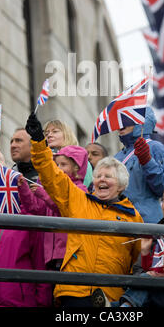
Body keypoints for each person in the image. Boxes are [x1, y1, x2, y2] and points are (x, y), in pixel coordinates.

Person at [25, 112, 143, 307]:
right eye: (99, 176)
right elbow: (52, 175)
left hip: (110, 296)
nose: (102, 180)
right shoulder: (79, 200)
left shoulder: (133, 217)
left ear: (122, 185)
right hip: (74, 291)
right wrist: (39, 141)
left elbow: (138, 262)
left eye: (109, 176)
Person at [18, 145, 88, 273]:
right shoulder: (51, 189)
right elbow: (35, 208)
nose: (59, 168)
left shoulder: (80, 189)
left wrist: (45, 195)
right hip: (50, 254)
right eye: (57, 165)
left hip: (69, 253)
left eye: (63, 164)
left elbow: (66, 210)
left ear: (76, 168)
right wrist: (24, 188)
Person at [115, 106, 164, 223]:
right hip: (120, 219)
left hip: (146, 221)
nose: (120, 123)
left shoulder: (155, 147)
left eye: (127, 118)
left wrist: (147, 161)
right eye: (120, 119)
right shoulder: (117, 156)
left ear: (141, 122)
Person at [44, 119, 93, 189]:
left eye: (55, 131)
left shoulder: (81, 160)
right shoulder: (49, 159)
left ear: (67, 134)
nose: (49, 135)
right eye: (46, 133)